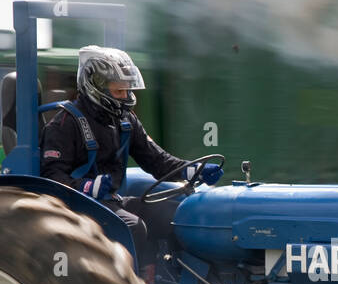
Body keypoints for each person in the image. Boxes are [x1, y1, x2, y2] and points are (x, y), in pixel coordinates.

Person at [40, 45, 221, 256]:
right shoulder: (64, 124)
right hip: (78, 205)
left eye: (127, 90)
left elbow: (156, 160)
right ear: (95, 88)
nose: (126, 97)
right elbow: (52, 178)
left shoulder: (125, 120)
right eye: (119, 91)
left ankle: (175, 283)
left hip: (112, 201)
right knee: (132, 227)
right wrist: (88, 187)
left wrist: (193, 170)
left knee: (177, 216)